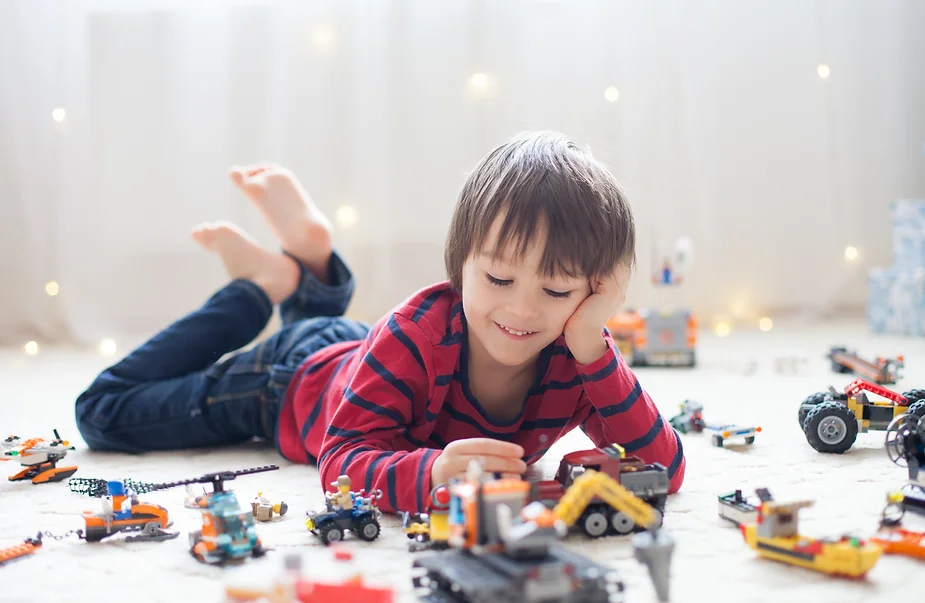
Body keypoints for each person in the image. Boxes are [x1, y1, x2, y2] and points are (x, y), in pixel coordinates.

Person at [75, 131, 686, 515]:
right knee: (102, 412)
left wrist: (591, 344)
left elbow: (665, 467)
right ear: (459, 265)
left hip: (359, 359)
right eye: (498, 280)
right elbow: (341, 459)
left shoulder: (578, 352)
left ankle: (308, 271)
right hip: (289, 386)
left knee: (347, 342)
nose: (523, 311)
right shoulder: (416, 333)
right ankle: (258, 289)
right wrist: (432, 472)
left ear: (594, 291)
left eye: (556, 290)